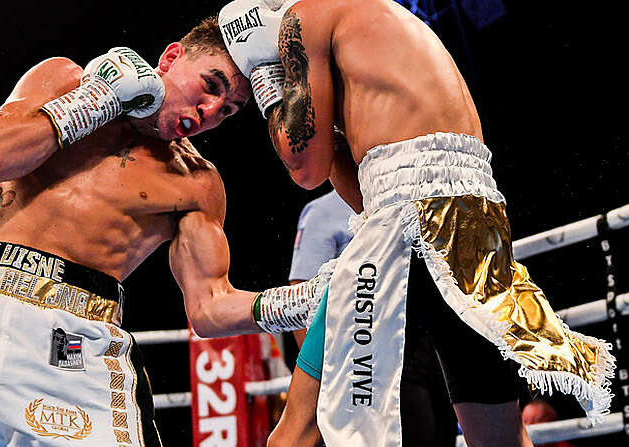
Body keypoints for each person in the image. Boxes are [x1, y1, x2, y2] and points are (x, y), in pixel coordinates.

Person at [0, 15, 327, 447]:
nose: (208, 112)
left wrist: (308, 300)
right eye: (211, 86)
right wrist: (97, 100)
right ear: (172, 58)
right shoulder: (66, 80)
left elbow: (209, 308)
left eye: (228, 111)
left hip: (69, 349)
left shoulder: (196, 182)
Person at [217, 1, 616, 447]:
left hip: (407, 222)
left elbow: (302, 164)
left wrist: (267, 79)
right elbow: (362, 194)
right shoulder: (380, 29)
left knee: (297, 434)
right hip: (469, 221)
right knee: (500, 437)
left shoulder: (306, 15)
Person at [279, 190, 458, 447]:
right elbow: (305, 299)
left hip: (429, 346)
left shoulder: (412, 195)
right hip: (366, 364)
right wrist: (323, 382)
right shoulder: (323, 212)